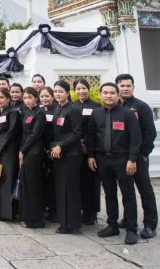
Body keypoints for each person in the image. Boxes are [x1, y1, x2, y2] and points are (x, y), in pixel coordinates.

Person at [87, 82, 142, 245]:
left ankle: (131, 228)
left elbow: (136, 138)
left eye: (112, 93)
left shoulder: (127, 114)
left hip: (123, 160)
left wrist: (132, 159)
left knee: (128, 195)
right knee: (109, 194)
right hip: (103, 160)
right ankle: (112, 225)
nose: (108, 96)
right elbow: (91, 137)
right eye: (105, 93)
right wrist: (90, 156)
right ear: (101, 95)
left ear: (118, 95)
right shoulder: (96, 114)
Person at [116, 74, 158, 240]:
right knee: (126, 190)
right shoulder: (115, 106)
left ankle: (150, 224)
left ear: (133, 87)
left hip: (138, 156)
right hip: (120, 156)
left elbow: (150, 133)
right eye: (122, 86)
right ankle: (127, 219)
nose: (125, 88)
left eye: (128, 85)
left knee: (145, 190)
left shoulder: (141, 107)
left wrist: (144, 153)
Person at [49, 80, 83, 233]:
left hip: (71, 155)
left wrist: (61, 146)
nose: (57, 94)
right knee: (61, 188)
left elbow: (77, 133)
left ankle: (72, 224)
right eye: (55, 91)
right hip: (59, 155)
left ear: (68, 93)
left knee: (70, 188)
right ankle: (64, 221)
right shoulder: (57, 109)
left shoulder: (73, 110)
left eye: (60, 91)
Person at [0, 88, 21, 221]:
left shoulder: (13, 112)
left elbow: (11, 132)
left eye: (2, 98)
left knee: (7, 181)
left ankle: (6, 213)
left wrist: (0, 147)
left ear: (8, 99)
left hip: (8, 151)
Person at [73, 78, 100, 225]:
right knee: (79, 181)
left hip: (90, 150)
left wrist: (86, 144)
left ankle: (92, 212)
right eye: (78, 88)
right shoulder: (72, 105)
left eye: (84, 88)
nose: (81, 91)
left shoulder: (96, 106)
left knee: (92, 182)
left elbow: (94, 128)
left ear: (88, 89)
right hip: (75, 149)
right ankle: (82, 209)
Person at [18, 86, 46, 228]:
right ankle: (26, 216)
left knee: (33, 186)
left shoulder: (40, 113)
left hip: (34, 153)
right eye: (25, 98)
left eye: (30, 97)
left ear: (36, 98)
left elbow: (35, 135)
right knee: (26, 185)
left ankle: (35, 219)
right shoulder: (26, 112)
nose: (27, 100)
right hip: (26, 152)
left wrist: (22, 150)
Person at [40, 86, 59, 221]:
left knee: (54, 182)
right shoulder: (40, 111)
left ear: (52, 97)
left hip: (54, 151)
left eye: (47, 96)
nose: (45, 98)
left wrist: (50, 149)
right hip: (41, 150)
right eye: (42, 96)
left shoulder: (57, 110)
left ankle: (55, 210)